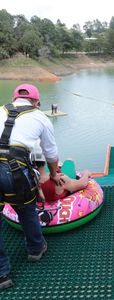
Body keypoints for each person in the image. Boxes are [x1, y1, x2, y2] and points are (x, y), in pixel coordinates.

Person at [0, 83, 63, 290]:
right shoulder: (39, 117)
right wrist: (53, 174)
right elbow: (51, 152)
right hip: (16, 171)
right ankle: (35, 249)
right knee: (27, 209)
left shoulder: (0, 110)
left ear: (13, 98)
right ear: (36, 102)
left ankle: (2, 275)